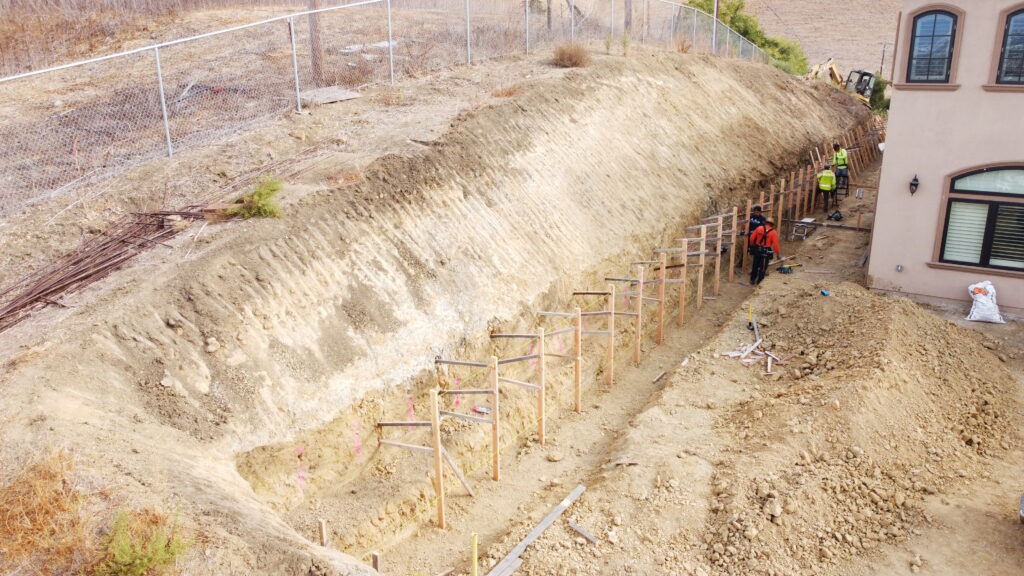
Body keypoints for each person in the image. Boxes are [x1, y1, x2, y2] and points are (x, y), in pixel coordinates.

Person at [748, 219, 781, 286]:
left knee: (755, 264)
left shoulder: (759, 228)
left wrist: (752, 245)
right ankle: (759, 282)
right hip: (766, 250)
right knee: (763, 267)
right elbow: (775, 245)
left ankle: (752, 280)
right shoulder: (773, 232)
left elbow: (752, 238)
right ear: (772, 224)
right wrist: (778, 254)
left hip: (757, 248)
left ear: (765, 222)